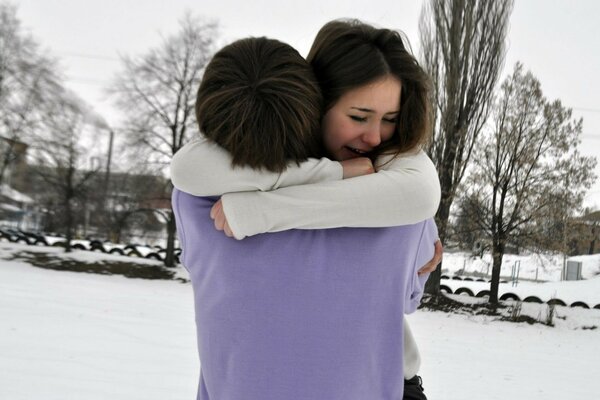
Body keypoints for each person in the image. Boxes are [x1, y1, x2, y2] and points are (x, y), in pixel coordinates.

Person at [172, 22, 440, 400]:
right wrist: (334, 172)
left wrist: (263, 211)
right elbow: (188, 167)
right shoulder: (393, 202)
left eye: (391, 119)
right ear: (318, 103)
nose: (376, 137)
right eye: (359, 116)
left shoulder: (392, 174)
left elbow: (421, 193)